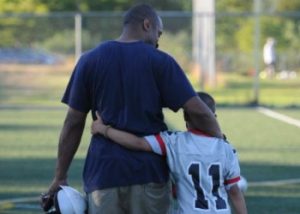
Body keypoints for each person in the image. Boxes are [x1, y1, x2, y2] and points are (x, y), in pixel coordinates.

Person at [43, 3, 222, 214]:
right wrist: (219, 139)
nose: (158, 41)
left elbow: (73, 122)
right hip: (149, 175)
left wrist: (60, 176)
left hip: (103, 176)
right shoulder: (161, 62)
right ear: (147, 24)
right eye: (158, 33)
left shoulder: (89, 60)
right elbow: (199, 111)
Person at [91, 92, 247, 214]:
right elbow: (234, 192)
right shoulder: (227, 148)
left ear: (185, 116)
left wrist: (104, 129)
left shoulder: (174, 141)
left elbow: (137, 143)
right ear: (214, 118)